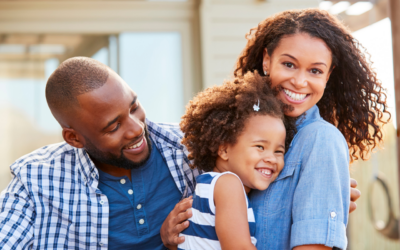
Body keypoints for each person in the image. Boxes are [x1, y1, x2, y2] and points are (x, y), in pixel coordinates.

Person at [161, 9, 387, 250]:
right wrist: (169, 234)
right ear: (267, 60)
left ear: (328, 75)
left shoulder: (321, 140)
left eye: (315, 71)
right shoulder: (236, 131)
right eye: (289, 64)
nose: (300, 82)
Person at [0, 57, 199, 249]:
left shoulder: (192, 146)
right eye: (114, 127)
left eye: (134, 108)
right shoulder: (34, 181)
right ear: (74, 138)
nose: (137, 129)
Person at [178, 72, 296, 249]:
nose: (271, 158)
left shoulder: (209, 184)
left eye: (279, 151)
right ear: (224, 149)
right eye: (260, 147)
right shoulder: (229, 185)